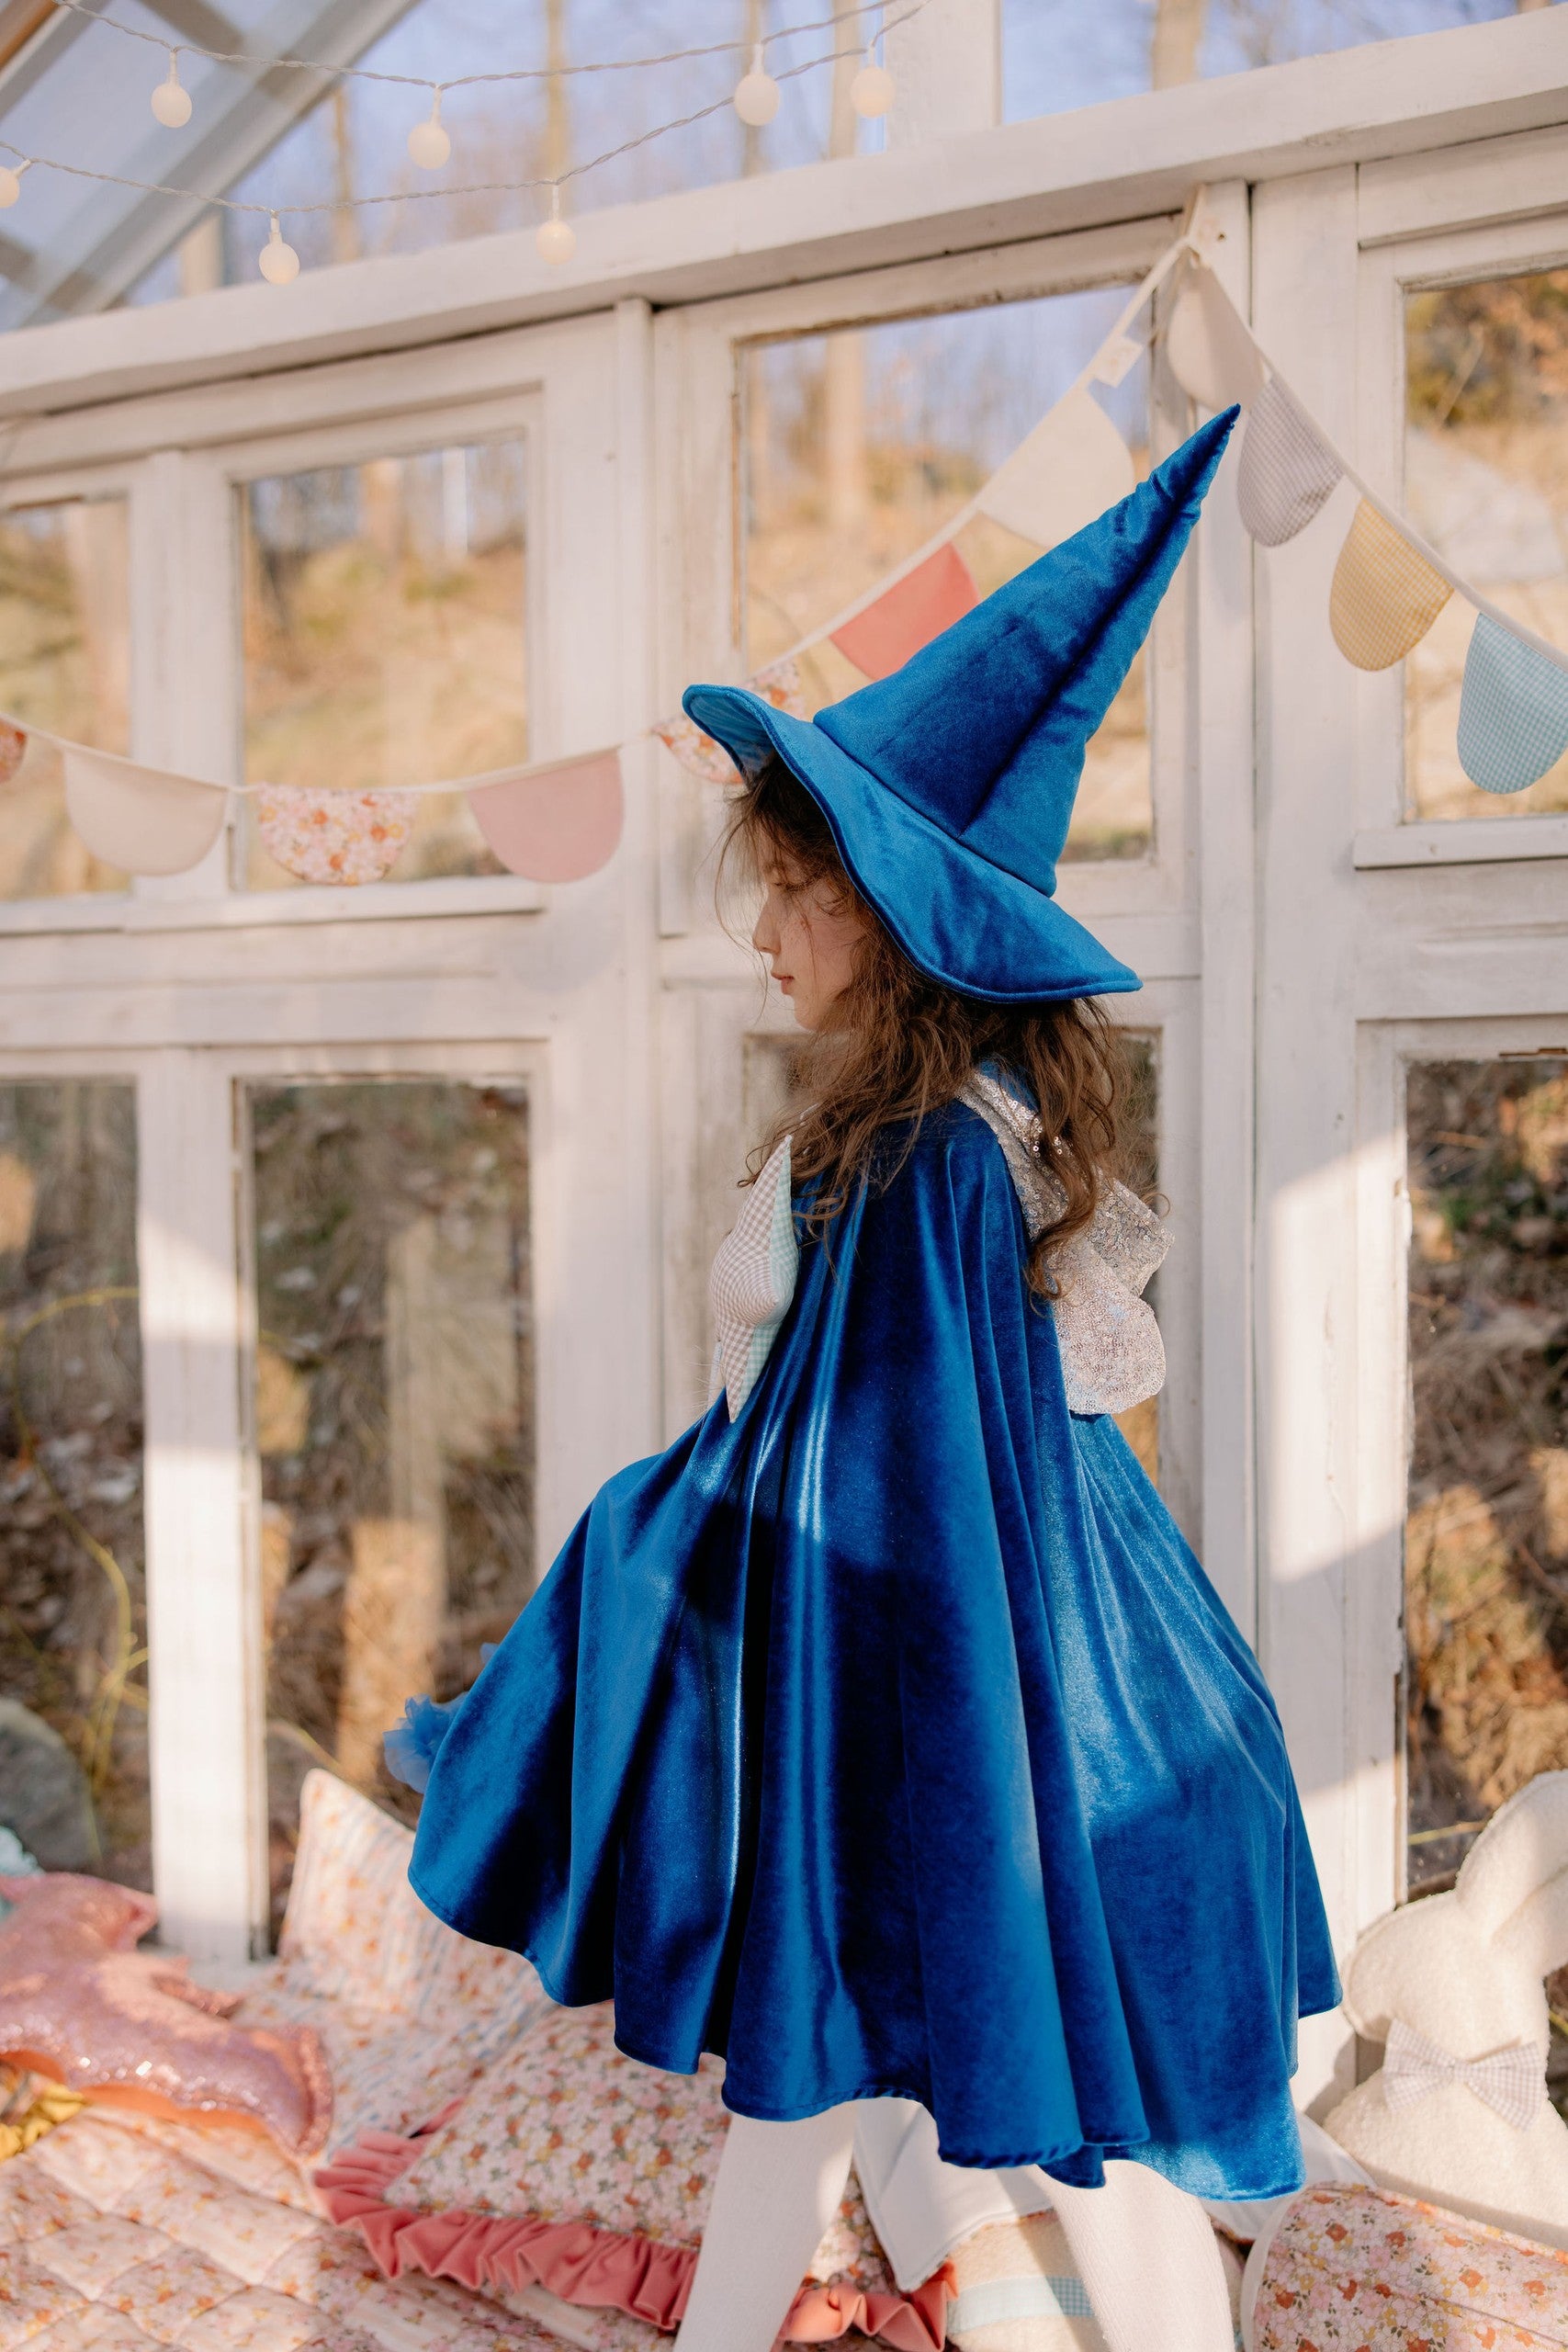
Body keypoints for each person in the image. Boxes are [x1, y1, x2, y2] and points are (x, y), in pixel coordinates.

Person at [386, 405, 1339, 2352]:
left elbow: (872, 1492)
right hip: (986, 1659)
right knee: (872, 2083)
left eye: (786, 890)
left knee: (833, 2062)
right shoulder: (960, 1138)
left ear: (884, 915)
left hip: (933, 1678)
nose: (758, 932)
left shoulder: (912, 1170)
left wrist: (639, 1578)